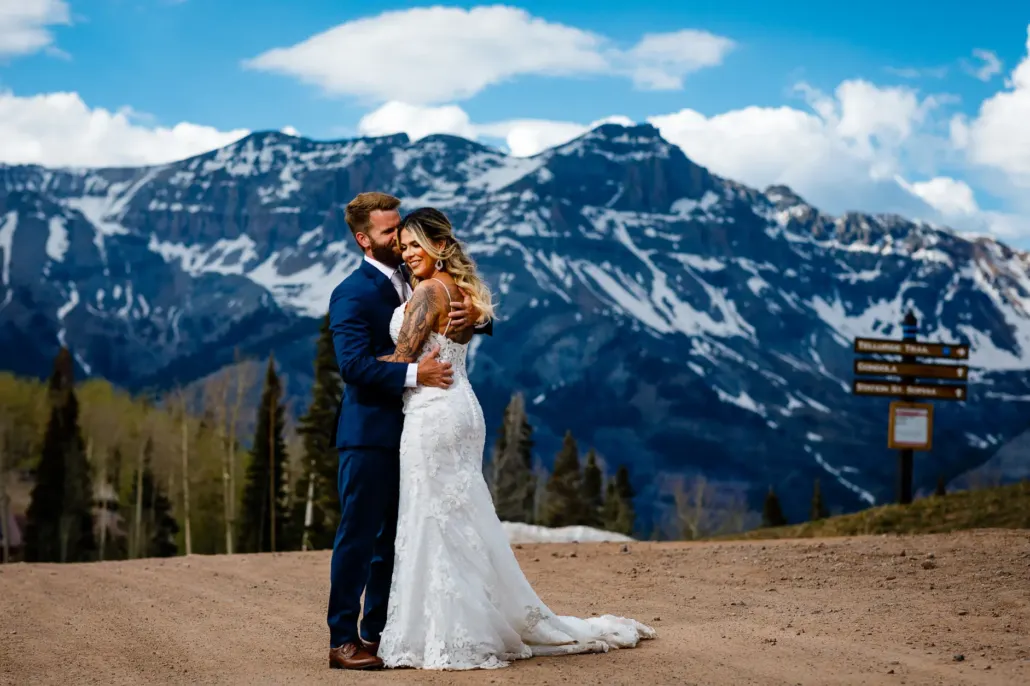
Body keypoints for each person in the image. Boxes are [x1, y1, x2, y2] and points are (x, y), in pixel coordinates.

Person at [374, 207, 656, 670]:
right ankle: (458, 625)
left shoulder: (428, 290)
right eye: (402, 246)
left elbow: (403, 357)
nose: (407, 254)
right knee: (454, 518)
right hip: (458, 405)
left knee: (433, 518)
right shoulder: (455, 289)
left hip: (434, 411)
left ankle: (447, 633)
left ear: (440, 245)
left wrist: (354, 365)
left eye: (414, 245)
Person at [325, 192, 492, 670]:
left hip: (420, 427)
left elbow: (443, 315)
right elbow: (352, 366)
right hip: (370, 432)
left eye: (402, 228)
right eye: (389, 232)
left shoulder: (419, 276)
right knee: (359, 536)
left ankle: (380, 632)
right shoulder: (351, 293)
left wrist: (474, 317)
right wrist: (417, 374)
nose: (400, 239)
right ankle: (342, 639)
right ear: (364, 240)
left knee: (396, 540)